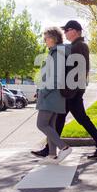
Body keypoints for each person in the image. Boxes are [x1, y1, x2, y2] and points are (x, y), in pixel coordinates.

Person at [32, 20, 97, 159]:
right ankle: (50, 148)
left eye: (67, 30)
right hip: (72, 90)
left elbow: (80, 71)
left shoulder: (79, 46)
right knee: (60, 119)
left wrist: (69, 90)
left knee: (80, 119)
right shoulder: (74, 46)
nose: (65, 33)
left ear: (75, 31)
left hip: (73, 92)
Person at [35, 27, 72, 165]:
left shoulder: (57, 53)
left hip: (51, 96)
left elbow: (56, 78)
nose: (45, 41)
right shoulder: (57, 53)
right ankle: (52, 155)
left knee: (42, 124)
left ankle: (64, 147)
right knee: (50, 125)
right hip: (55, 96)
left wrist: (43, 92)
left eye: (46, 38)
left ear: (53, 38)